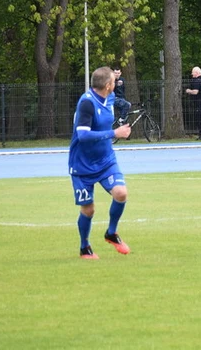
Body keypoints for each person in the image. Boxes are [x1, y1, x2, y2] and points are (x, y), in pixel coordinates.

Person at [69, 66, 134, 259]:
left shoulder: (110, 97)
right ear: (107, 85)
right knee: (88, 209)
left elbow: (117, 99)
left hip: (106, 159)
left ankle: (111, 233)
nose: (116, 83)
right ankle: (84, 247)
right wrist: (115, 133)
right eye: (113, 81)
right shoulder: (86, 103)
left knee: (121, 193)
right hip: (82, 164)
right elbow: (82, 135)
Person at [185, 66, 201, 140]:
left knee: (199, 119)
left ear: (196, 73)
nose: (191, 74)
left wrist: (188, 90)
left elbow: (195, 92)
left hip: (199, 103)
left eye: (192, 72)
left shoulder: (197, 81)